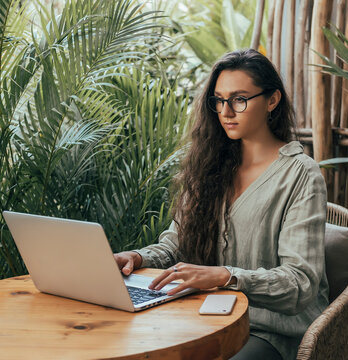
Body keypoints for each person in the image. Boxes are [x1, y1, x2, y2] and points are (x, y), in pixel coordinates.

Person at [114, 48, 328, 360]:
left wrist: (225, 275)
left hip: (271, 332)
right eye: (218, 100)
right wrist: (135, 257)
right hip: (205, 318)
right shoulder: (209, 165)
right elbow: (175, 245)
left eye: (239, 99)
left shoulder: (301, 175)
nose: (226, 111)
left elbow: (300, 283)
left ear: (272, 100)